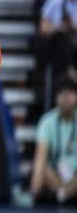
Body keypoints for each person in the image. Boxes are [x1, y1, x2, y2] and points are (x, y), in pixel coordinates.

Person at [31, 75, 77, 205]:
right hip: (55, 177)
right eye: (62, 93)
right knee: (43, 168)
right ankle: (63, 194)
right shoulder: (47, 121)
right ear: (56, 97)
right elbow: (40, 156)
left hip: (75, 176)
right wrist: (35, 191)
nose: (66, 97)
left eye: (70, 92)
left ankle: (64, 194)